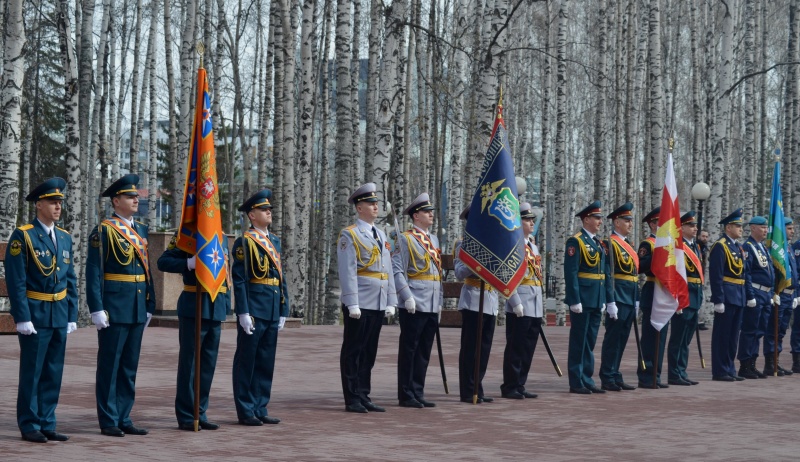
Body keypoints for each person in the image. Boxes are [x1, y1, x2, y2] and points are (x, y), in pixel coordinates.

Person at [5, 178, 78, 443]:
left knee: (53, 371)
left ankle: (48, 421)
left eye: (59, 202)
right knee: (32, 371)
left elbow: (70, 279)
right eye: (52, 202)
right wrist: (22, 317)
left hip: (58, 312)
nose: (58, 206)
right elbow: (16, 281)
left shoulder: (64, 237)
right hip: (35, 314)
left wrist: (72, 314)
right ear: (39, 204)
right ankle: (29, 423)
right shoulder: (23, 235)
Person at [86, 174, 155, 437]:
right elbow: (94, 272)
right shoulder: (103, 230)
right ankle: (108, 419)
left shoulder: (142, 230)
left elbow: (146, 271)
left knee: (129, 367)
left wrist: (151, 302)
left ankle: (124, 415)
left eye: (136, 195)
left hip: (137, 305)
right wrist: (96, 307)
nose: (136, 199)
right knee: (110, 365)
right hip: (114, 306)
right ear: (116, 201)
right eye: (130, 196)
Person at [157, 233, 230, 430]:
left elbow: (225, 271)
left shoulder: (219, 235)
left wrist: (227, 304)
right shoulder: (187, 233)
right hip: (194, 305)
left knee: (208, 364)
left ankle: (200, 411)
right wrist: (189, 263)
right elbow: (163, 261)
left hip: (216, 306)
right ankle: (187, 415)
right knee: (190, 363)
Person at [231, 188, 289, 426]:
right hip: (254, 308)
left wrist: (284, 308)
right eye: (263, 209)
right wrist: (243, 312)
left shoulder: (274, 240)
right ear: (252, 215)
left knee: (266, 360)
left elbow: (280, 277)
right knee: (248, 361)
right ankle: (245, 409)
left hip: (272, 307)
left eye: (269, 209)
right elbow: (240, 279)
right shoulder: (245, 241)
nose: (268, 212)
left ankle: (260, 405)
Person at [338, 182, 397, 413]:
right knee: (353, 349)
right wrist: (351, 301)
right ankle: (352, 397)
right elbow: (347, 270)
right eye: (370, 203)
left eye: (376, 203)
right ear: (359, 207)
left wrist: (391, 300)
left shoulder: (381, 234)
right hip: (360, 300)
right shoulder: (350, 234)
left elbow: (388, 269)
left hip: (378, 299)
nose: (375, 207)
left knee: (369, 350)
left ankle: (364, 393)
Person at [392, 193, 443, 408]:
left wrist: (439, 301)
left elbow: (437, 273)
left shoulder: (434, 239)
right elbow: (397, 270)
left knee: (424, 350)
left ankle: (418, 390)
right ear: (416, 215)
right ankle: (405, 393)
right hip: (414, 300)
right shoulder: (405, 238)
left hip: (431, 302)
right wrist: (407, 297)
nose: (431, 214)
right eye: (426, 211)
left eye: (431, 211)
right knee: (409, 348)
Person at [564, 200, 611, 395]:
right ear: (586, 219)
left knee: (590, 340)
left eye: (600, 218)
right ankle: (576, 380)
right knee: (579, 340)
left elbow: (604, 273)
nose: (600, 221)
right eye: (597, 218)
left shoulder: (599, 243)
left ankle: (587, 378)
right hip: (582, 299)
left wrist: (606, 300)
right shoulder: (576, 241)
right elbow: (571, 272)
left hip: (595, 298)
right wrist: (574, 300)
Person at [454, 204, 499, 403]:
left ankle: (478, 387)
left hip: (490, 299)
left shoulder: (493, 243)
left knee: (485, 348)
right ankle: (467, 390)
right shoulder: (463, 244)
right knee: (471, 348)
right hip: (473, 299)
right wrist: (476, 265)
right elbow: (459, 273)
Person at [500, 203, 544, 399]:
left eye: (532, 219)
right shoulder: (513, 244)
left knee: (528, 347)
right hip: (520, 302)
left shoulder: (532, 245)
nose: (531, 222)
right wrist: (514, 300)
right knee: (515, 347)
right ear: (519, 222)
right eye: (527, 219)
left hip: (534, 302)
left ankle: (520, 383)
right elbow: (507, 275)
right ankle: (510, 385)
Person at [598, 202, 639, 392]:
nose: (630, 224)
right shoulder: (609, 243)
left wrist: (636, 298)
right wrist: (610, 300)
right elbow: (608, 274)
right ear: (617, 222)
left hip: (629, 297)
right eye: (626, 220)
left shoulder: (629, 245)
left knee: (622, 339)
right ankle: (607, 375)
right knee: (613, 339)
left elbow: (634, 275)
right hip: (618, 296)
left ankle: (615, 373)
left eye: (630, 220)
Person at [709, 208, 747, 382]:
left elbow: (742, 274)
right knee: (722, 336)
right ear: (728, 227)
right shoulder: (720, 246)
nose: (741, 229)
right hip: (726, 295)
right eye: (737, 226)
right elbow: (716, 275)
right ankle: (720, 370)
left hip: (738, 295)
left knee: (733, 336)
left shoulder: (737, 247)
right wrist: (718, 299)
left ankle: (730, 368)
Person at [667, 211, 703, 386]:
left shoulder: (695, 246)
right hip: (683, 296)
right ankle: (674, 373)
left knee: (686, 339)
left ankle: (682, 370)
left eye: (695, 225)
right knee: (678, 338)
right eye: (690, 225)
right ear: (681, 227)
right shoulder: (677, 247)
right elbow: (674, 274)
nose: (695, 228)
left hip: (695, 296)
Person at [636, 206, 671, 389]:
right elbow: (639, 266)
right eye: (660, 223)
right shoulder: (648, 244)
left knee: (661, 336)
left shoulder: (668, 244)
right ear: (652, 224)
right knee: (650, 337)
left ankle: (656, 374)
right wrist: (657, 255)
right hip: (652, 288)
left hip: (665, 291)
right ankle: (646, 376)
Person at [737, 216, 773, 379]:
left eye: (766, 227)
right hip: (756, 293)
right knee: (750, 330)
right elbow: (747, 273)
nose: (765, 230)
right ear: (752, 228)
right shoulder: (748, 246)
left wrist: (771, 294)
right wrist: (750, 295)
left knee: (760, 330)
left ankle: (752, 363)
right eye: (762, 227)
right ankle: (745, 364)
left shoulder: (763, 247)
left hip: (766, 294)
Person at [763, 217, 798, 376]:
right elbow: (772, 274)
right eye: (789, 228)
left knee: (782, 330)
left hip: (790, 295)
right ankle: (770, 363)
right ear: (781, 230)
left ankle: (776, 360)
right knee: (773, 330)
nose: (793, 231)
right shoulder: (776, 250)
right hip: (780, 294)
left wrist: (796, 294)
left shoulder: (789, 249)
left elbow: (794, 275)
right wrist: (772, 293)